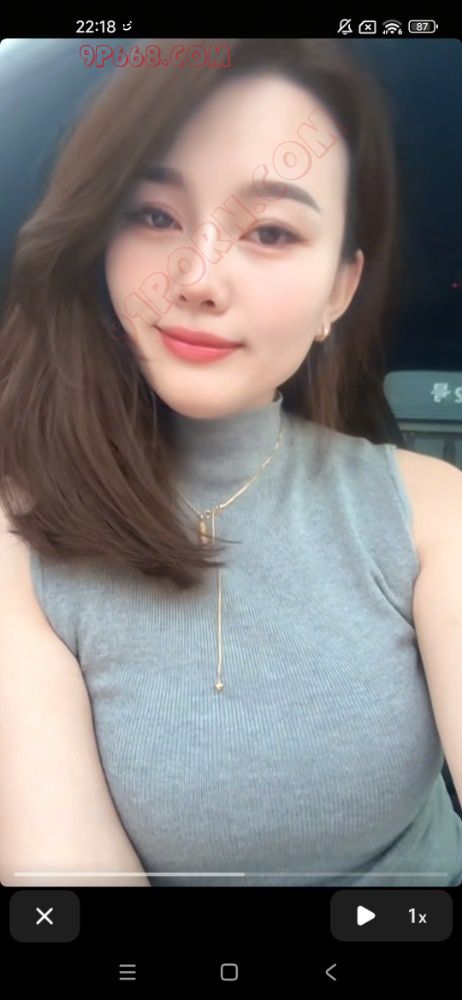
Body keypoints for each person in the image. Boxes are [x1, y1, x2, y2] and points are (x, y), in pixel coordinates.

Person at [0, 38, 461, 888]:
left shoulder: (433, 512)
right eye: (154, 217)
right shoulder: (20, 535)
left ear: (339, 289)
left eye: (272, 231)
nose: (199, 278)